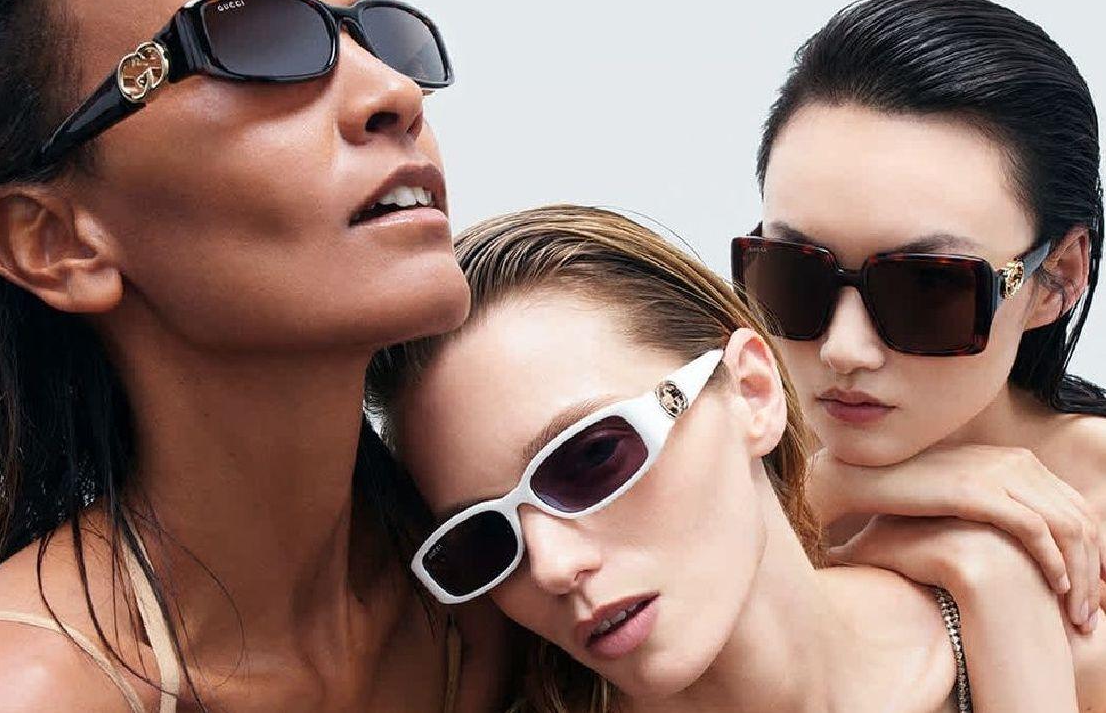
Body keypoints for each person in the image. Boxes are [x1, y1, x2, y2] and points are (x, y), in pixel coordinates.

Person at [0, 0, 508, 709]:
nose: (394, 91)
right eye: (256, 39)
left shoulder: (514, 597)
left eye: (381, 36)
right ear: (56, 241)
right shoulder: (23, 692)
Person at [368, 204, 1093, 712]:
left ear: (752, 390)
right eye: (483, 540)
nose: (552, 568)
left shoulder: (1058, 647)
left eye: (592, 458)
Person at [733, 0, 1106, 651]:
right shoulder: (709, 458)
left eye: (928, 287)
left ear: (1059, 276)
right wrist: (830, 490)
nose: (845, 349)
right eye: (794, 274)